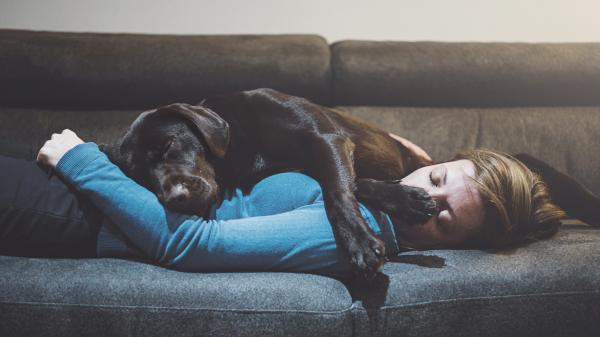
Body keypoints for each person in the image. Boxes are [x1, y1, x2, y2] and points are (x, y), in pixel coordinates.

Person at [0, 129, 565, 278]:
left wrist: (82, 162)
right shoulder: (370, 190)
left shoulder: (352, 232)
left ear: (460, 248)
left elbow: (190, 241)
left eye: (442, 217)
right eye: (436, 175)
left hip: (86, 215)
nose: (422, 196)